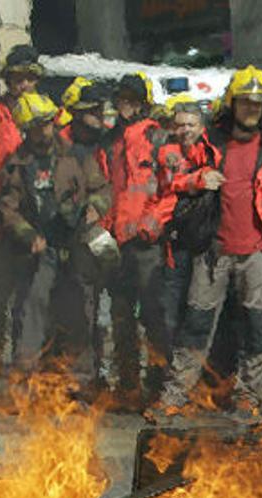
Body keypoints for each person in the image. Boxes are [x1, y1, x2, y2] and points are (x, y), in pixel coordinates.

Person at [159, 66, 262, 413]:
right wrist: (197, 179)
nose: (251, 109)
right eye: (245, 102)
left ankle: (250, 396)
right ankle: (175, 396)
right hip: (213, 252)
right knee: (195, 326)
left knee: (257, 331)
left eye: (258, 103)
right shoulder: (211, 143)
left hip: (257, 255)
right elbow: (172, 177)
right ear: (232, 104)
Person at [0, 92, 111, 377]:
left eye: (46, 123)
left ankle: (79, 381)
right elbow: (7, 208)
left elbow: (102, 190)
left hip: (76, 243)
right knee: (32, 308)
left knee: (79, 312)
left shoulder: (78, 155)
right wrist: (27, 234)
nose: (42, 131)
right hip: (40, 248)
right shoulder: (17, 164)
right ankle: (26, 377)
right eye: (35, 126)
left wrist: (95, 208)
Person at [105, 72, 173, 404]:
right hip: (118, 242)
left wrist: (154, 221)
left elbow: (172, 187)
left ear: (144, 103)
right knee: (121, 316)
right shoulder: (113, 141)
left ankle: (158, 384)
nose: (125, 105)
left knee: (153, 315)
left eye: (132, 99)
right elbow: (109, 188)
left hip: (147, 243)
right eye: (122, 99)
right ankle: (128, 384)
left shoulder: (159, 138)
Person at [0, 44, 42, 361]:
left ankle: (24, 372)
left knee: (29, 304)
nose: (23, 85)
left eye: (30, 78)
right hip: (1, 224)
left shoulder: (48, 115)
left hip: (35, 227)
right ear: (8, 80)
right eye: (17, 78)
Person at [156, 92, 213, 338]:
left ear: (201, 127)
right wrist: (198, 180)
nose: (185, 130)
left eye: (191, 125)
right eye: (180, 125)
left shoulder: (211, 150)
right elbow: (169, 182)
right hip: (174, 239)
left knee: (199, 305)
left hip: (205, 240)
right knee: (171, 303)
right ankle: (167, 362)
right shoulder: (167, 151)